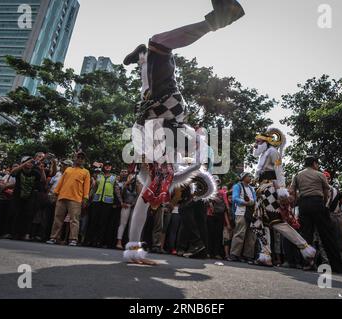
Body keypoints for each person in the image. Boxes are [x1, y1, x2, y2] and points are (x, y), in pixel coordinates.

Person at [122, 0, 244, 265]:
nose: (161, 196)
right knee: (160, 44)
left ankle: (142, 57)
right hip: (168, 108)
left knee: (147, 82)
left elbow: (142, 207)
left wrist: (133, 247)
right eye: (167, 194)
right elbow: (195, 165)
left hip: (152, 110)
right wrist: (198, 161)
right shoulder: (171, 174)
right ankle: (220, 19)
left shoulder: (150, 176)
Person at [253, 128, 316, 267]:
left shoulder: (273, 152)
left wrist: (281, 190)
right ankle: (265, 255)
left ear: (265, 141)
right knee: (259, 223)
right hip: (262, 190)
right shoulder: (263, 155)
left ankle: (305, 248)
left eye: (258, 141)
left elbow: (279, 170)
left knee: (276, 222)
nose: (255, 144)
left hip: (270, 190)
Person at [290, 156, 342, 273]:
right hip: (317, 203)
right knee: (327, 235)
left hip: (304, 204)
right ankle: (337, 266)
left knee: (306, 235)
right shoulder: (320, 174)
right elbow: (326, 193)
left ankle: (307, 263)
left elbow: (292, 192)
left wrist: (295, 205)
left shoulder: (298, 175)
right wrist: (324, 205)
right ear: (315, 163)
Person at [47, 152, 90, 246]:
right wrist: (55, 193)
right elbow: (60, 182)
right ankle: (53, 237)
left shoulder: (86, 172)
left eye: (82, 158)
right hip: (62, 196)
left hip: (76, 199)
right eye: (78, 157)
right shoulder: (68, 169)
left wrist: (85, 198)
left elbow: (86, 187)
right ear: (75, 158)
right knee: (58, 218)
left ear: (84, 160)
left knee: (74, 220)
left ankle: (73, 239)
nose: (80, 159)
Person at [85, 161, 122, 247]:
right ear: (104, 167)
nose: (108, 167)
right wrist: (88, 199)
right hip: (96, 201)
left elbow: (117, 190)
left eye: (109, 165)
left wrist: (120, 201)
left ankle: (99, 241)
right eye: (106, 165)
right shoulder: (99, 176)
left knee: (103, 222)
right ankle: (90, 240)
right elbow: (93, 189)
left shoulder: (113, 178)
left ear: (111, 167)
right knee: (93, 221)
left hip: (107, 202)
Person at [10, 156, 43, 240]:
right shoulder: (19, 170)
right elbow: (12, 173)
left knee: (28, 215)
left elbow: (43, 180)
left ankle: (26, 234)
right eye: (27, 162)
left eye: (31, 163)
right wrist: (24, 163)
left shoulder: (35, 172)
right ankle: (14, 233)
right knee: (16, 214)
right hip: (18, 196)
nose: (29, 164)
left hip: (29, 197)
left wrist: (41, 169)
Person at [228, 172, 257, 262]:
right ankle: (234, 254)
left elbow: (255, 199)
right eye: (249, 176)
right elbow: (235, 198)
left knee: (251, 234)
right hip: (241, 212)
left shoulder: (252, 189)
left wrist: (252, 202)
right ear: (243, 177)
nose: (250, 177)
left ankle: (248, 255)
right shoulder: (237, 186)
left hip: (251, 213)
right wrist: (245, 202)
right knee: (239, 233)